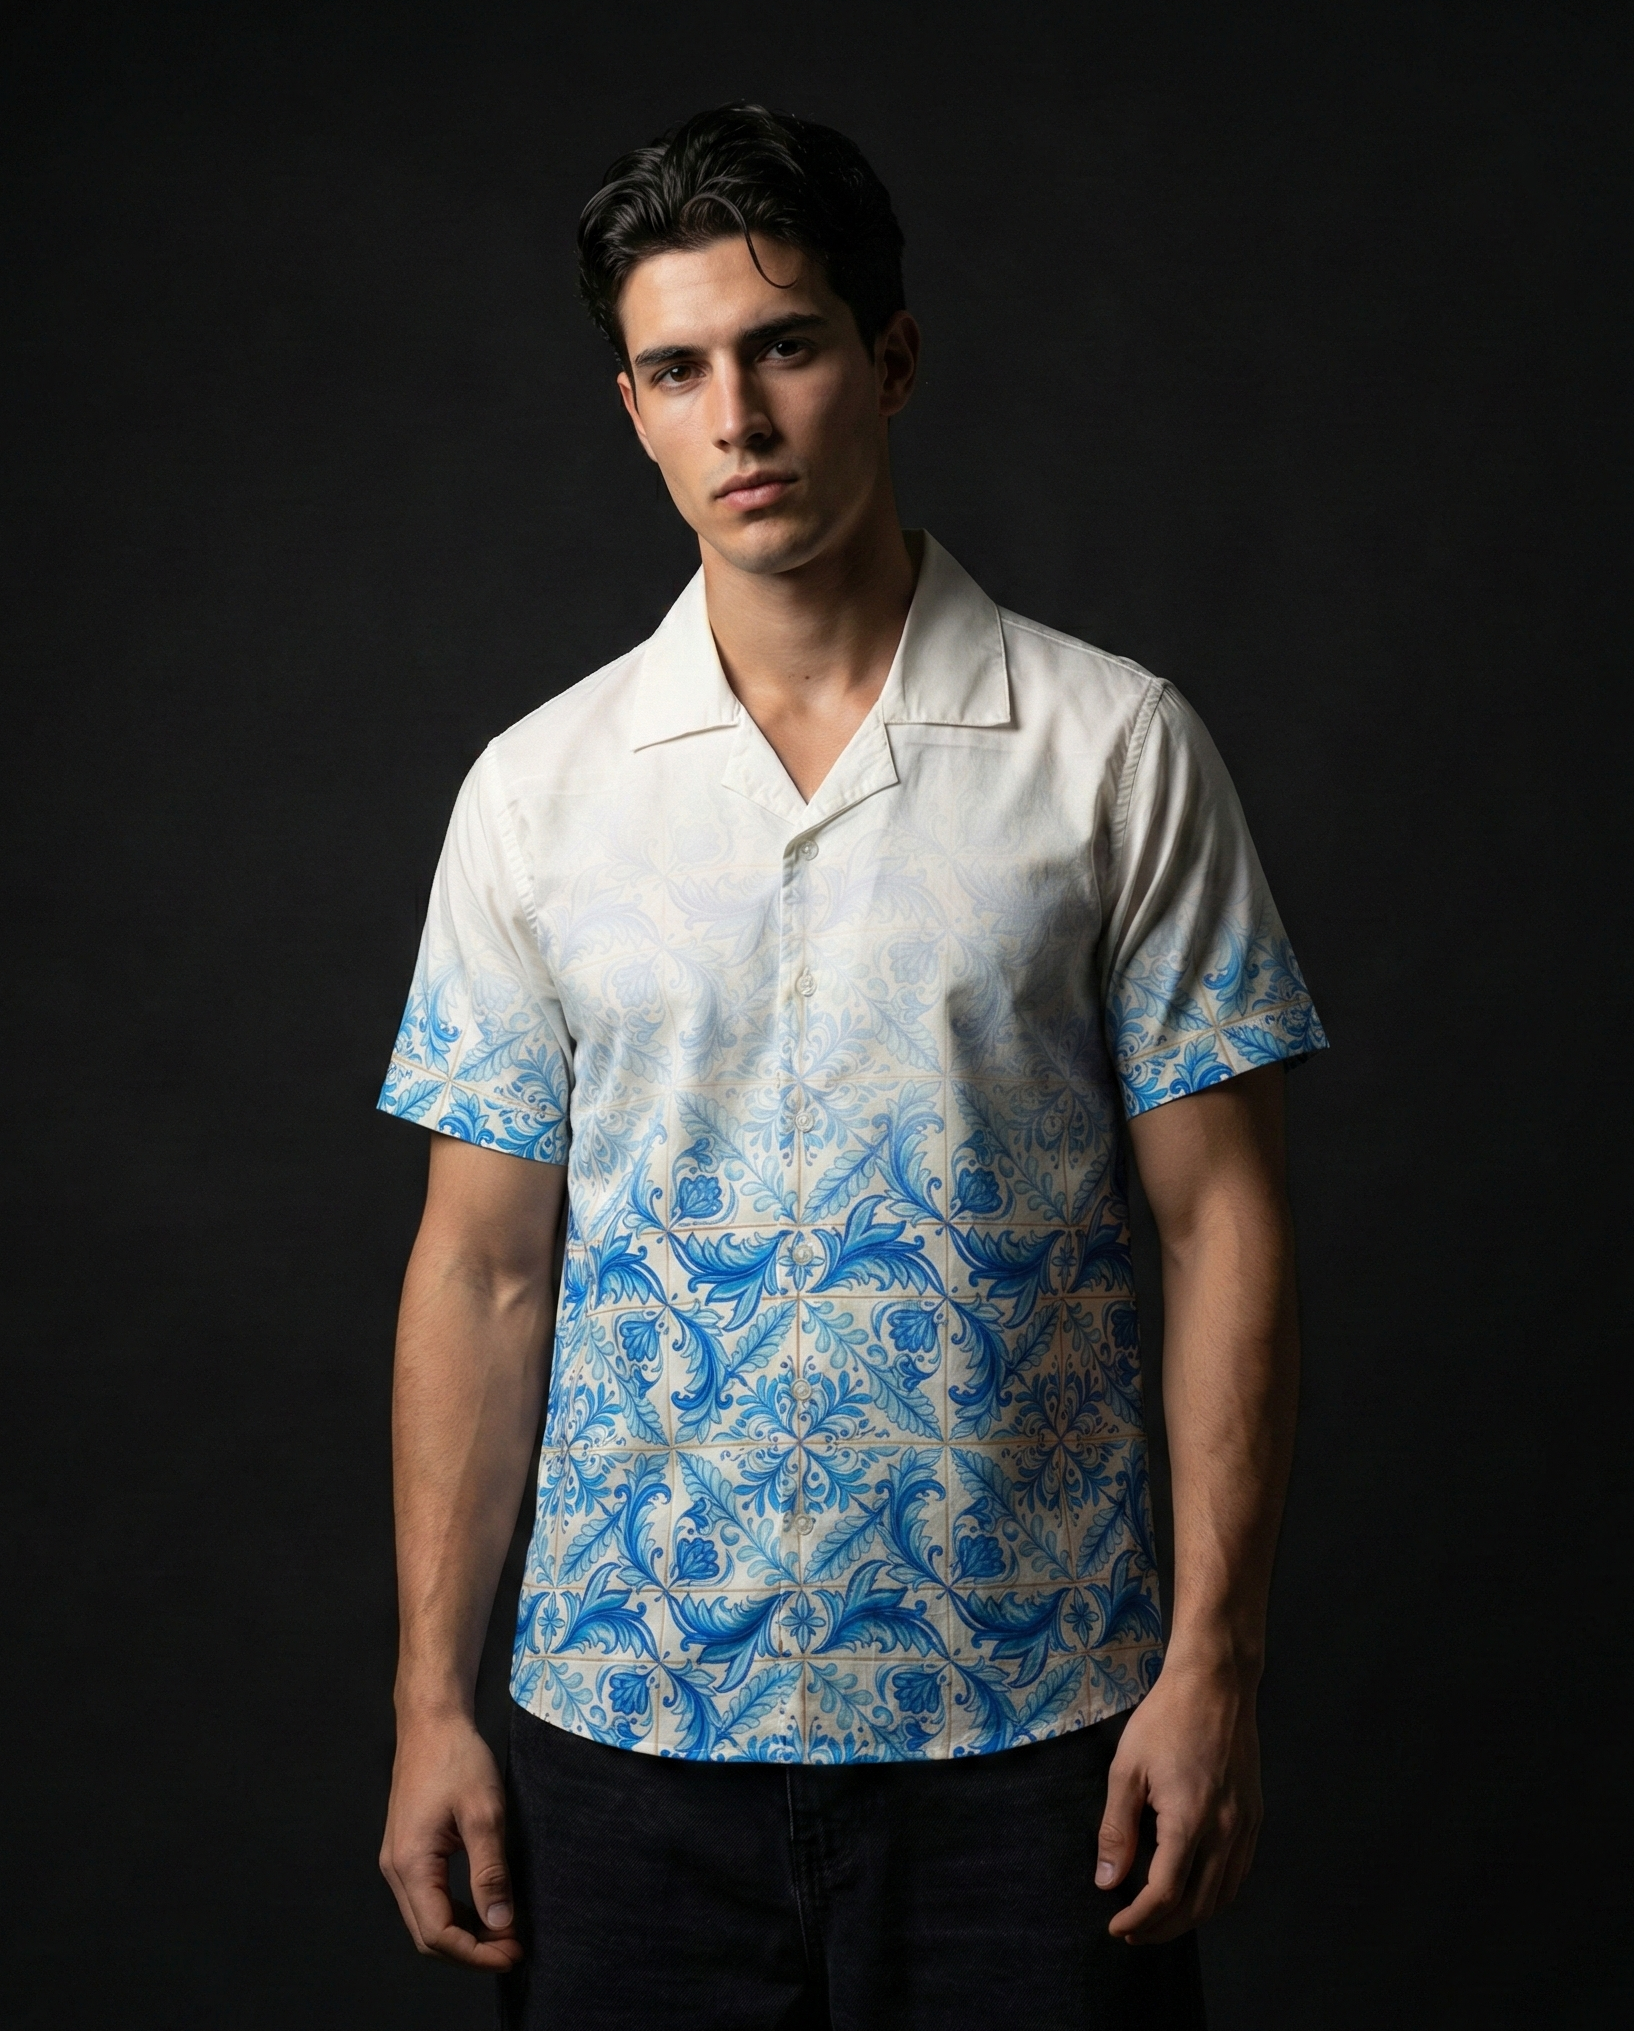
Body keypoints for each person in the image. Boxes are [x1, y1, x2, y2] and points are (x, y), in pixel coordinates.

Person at [375, 102, 1326, 2031]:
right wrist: (425, 1704)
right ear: (631, 408)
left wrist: (1212, 1663)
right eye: (676, 369)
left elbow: (1220, 1225)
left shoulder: (1112, 749)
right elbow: (481, 1265)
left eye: (784, 346)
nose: (737, 417)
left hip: (1036, 1742)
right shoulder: (534, 793)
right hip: (621, 1740)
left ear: (888, 359)